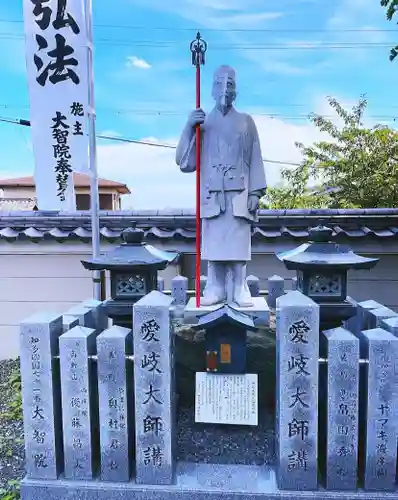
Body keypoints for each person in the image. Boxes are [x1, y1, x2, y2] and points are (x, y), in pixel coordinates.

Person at [175, 65, 267, 307]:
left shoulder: (246, 121)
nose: (225, 90)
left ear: (236, 91)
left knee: (238, 245)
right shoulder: (203, 123)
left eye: (230, 85)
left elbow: (255, 156)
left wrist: (256, 191)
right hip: (212, 195)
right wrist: (188, 127)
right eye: (220, 84)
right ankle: (214, 286)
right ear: (212, 89)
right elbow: (185, 163)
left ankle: (239, 287)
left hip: (239, 193)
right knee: (214, 245)